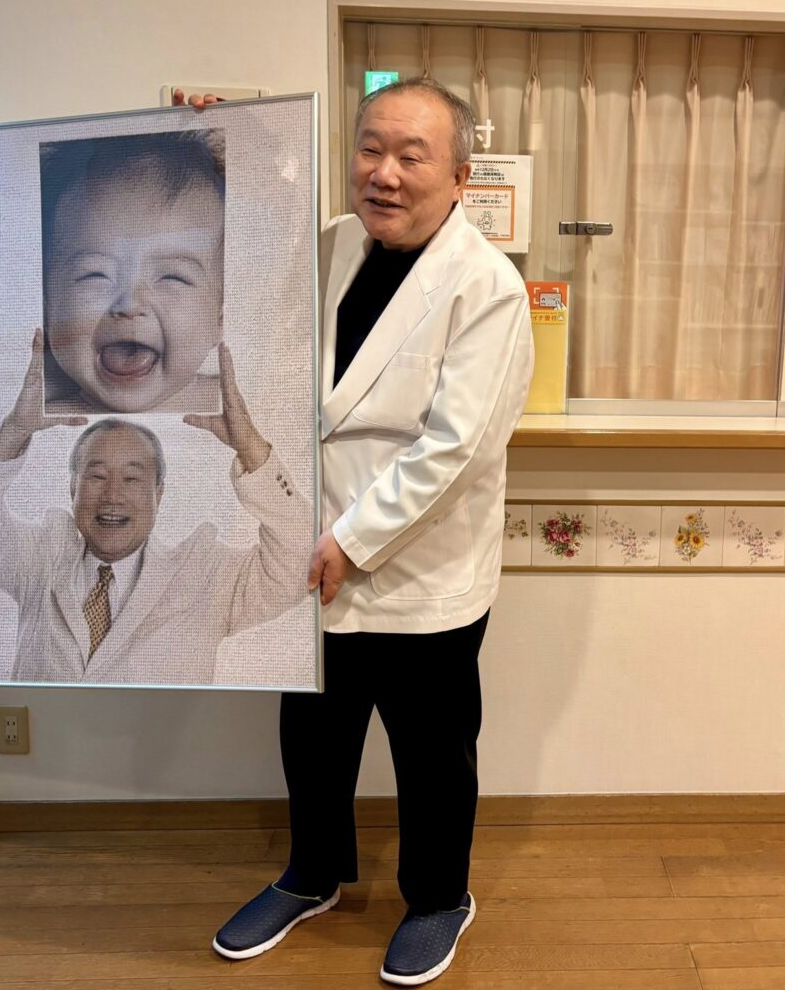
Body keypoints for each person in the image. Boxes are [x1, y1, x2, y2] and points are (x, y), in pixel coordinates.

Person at [176, 78, 534, 985]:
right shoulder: (337, 243)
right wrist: (232, 137)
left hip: (421, 573)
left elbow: (456, 449)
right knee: (314, 736)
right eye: (370, 149)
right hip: (312, 555)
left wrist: (352, 542)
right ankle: (312, 875)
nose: (385, 173)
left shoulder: (487, 286)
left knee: (432, 752)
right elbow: (251, 244)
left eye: (412, 156)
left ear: (459, 176)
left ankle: (440, 897)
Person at [0, 329, 311, 685]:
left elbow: (302, 561)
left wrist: (250, 446)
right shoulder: (39, 560)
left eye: (132, 478)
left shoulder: (205, 577)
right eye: (97, 476)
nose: (112, 495)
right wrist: (16, 428)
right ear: (73, 487)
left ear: (159, 493)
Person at [40, 130, 226, 414]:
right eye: (95, 275)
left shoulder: (233, 406)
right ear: (47, 309)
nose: (129, 305)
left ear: (219, 320)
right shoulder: (40, 419)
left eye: (172, 277)